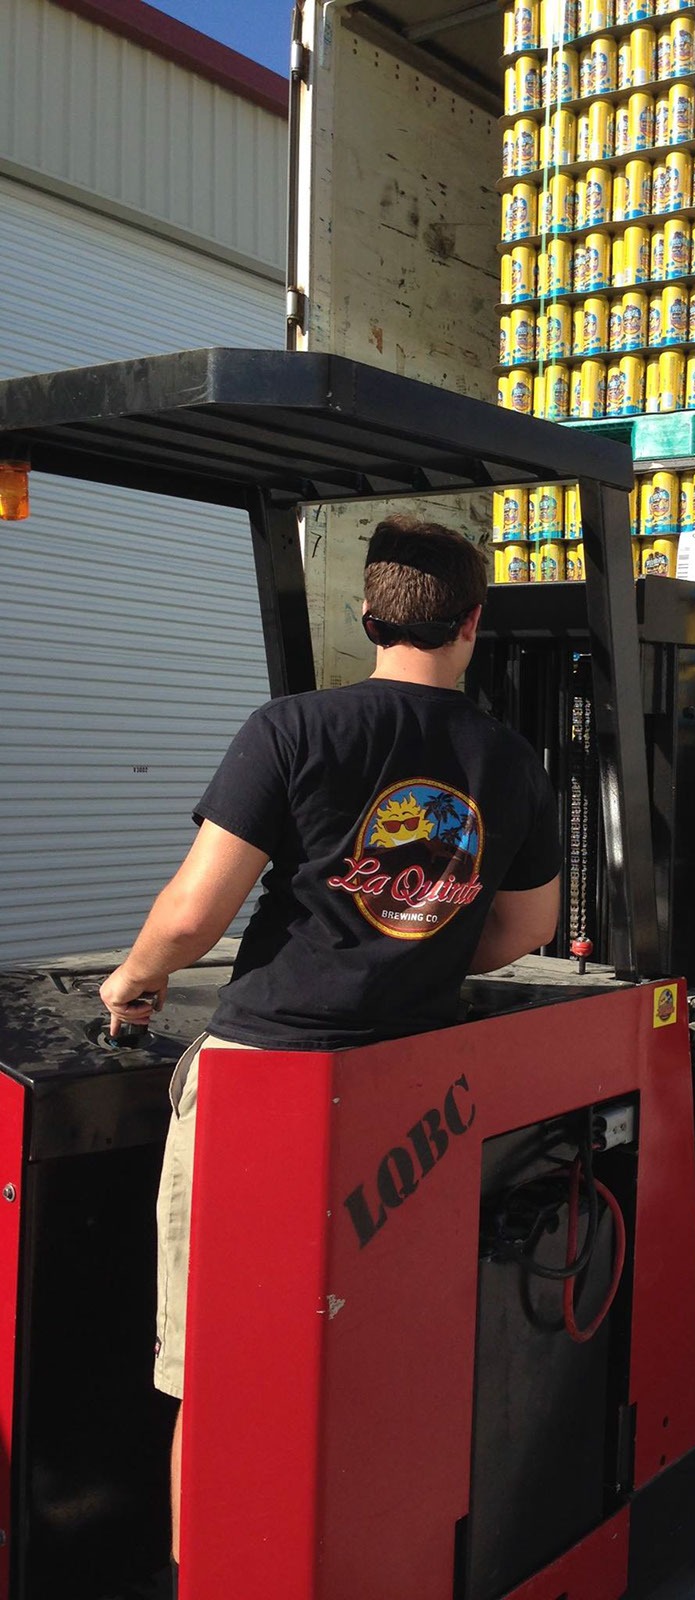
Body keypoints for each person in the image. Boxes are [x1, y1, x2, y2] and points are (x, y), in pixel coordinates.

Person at [100, 515, 561, 1594]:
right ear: (474, 623)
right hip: (408, 1088)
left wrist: (134, 979)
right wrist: (429, 948)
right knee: (368, 1354)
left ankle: (208, 1573)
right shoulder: (507, 759)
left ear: (365, 614)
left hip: (267, 1079)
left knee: (219, 1370)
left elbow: (194, 912)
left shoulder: (294, 728)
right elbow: (523, 931)